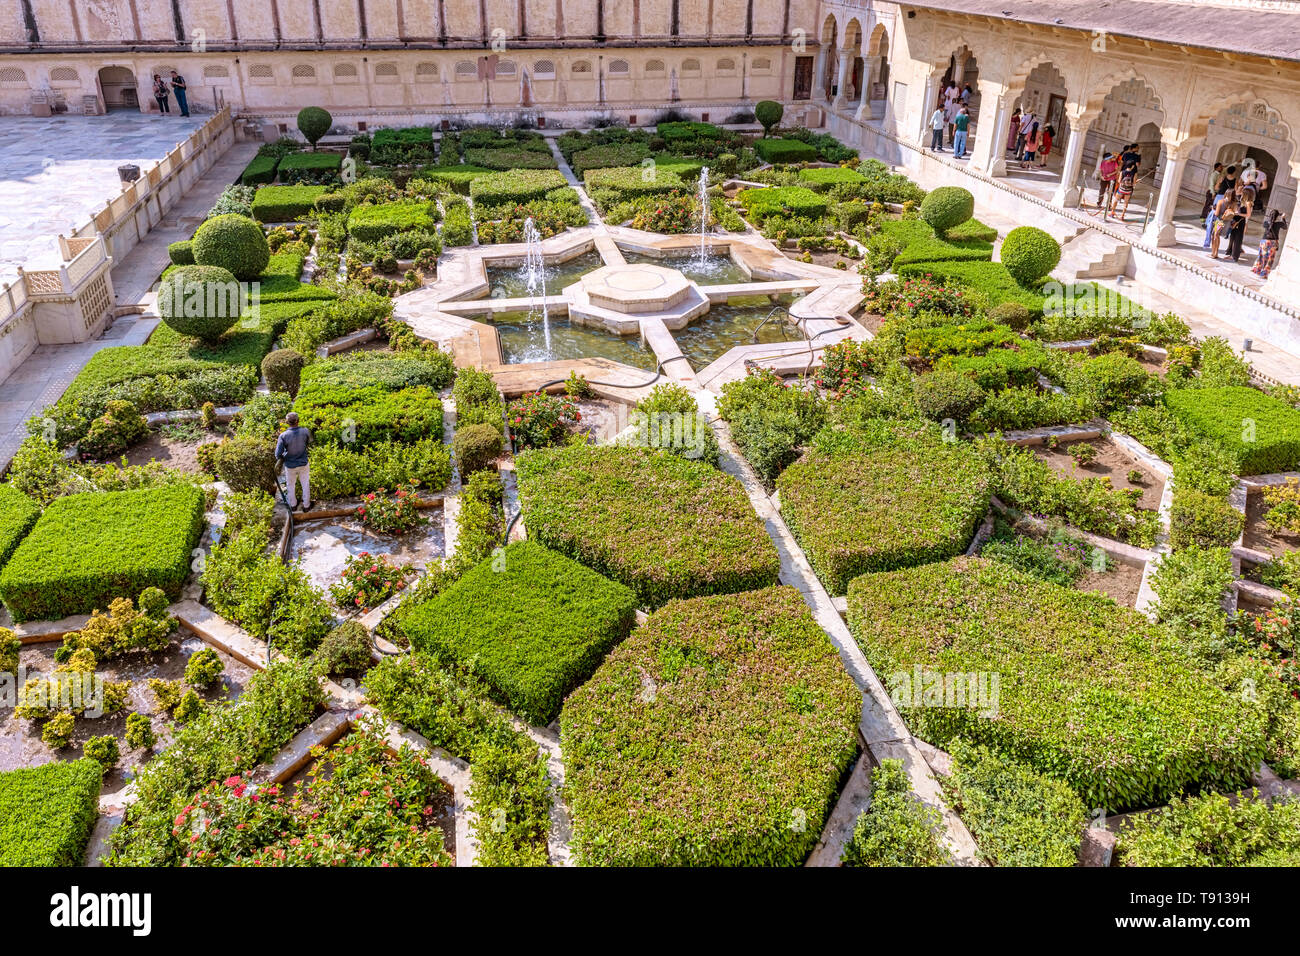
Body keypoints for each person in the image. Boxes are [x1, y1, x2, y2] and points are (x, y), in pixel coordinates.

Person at [274, 411, 313, 512]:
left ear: (287, 422)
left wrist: (286, 455)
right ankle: (306, 506)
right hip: (303, 463)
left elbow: (277, 454)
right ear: (298, 421)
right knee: (305, 484)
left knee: (290, 485)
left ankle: (293, 505)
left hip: (290, 465)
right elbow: (309, 442)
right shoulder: (305, 431)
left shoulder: (283, 436)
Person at [1252, 209, 1288, 278]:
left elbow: (1267, 224)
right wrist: (1283, 218)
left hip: (1264, 241)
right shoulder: (1279, 224)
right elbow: (1285, 227)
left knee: (1261, 256)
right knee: (1270, 258)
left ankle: (1257, 269)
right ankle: (1264, 274)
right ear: (1277, 216)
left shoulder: (1266, 223)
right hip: (1273, 243)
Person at [1209, 191, 1238, 259]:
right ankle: (1215, 253)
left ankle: (1214, 253)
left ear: (1226, 194)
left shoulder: (1221, 201)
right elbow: (1234, 213)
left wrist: (1213, 209)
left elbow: (1216, 214)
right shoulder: (1234, 204)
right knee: (1217, 236)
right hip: (1227, 222)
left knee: (1215, 235)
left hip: (1220, 221)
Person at [1226, 198, 1250, 263]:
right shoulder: (1239, 201)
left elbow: (1248, 215)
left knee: (1237, 239)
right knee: (1232, 237)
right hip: (1235, 220)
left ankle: (1235, 256)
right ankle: (1231, 254)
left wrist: (1239, 214)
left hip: (1240, 221)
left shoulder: (1247, 203)